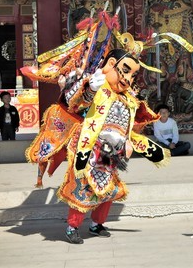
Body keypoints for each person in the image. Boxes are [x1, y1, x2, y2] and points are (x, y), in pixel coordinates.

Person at [57, 47, 170, 245]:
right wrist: (90, 88)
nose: (128, 78)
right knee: (83, 188)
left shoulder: (128, 97)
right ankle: (71, 227)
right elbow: (72, 102)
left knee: (107, 189)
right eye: (125, 71)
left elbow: (129, 125)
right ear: (111, 65)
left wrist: (128, 141)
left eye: (133, 75)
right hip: (89, 148)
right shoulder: (97, 86)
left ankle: (96, 224)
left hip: (112, 152)